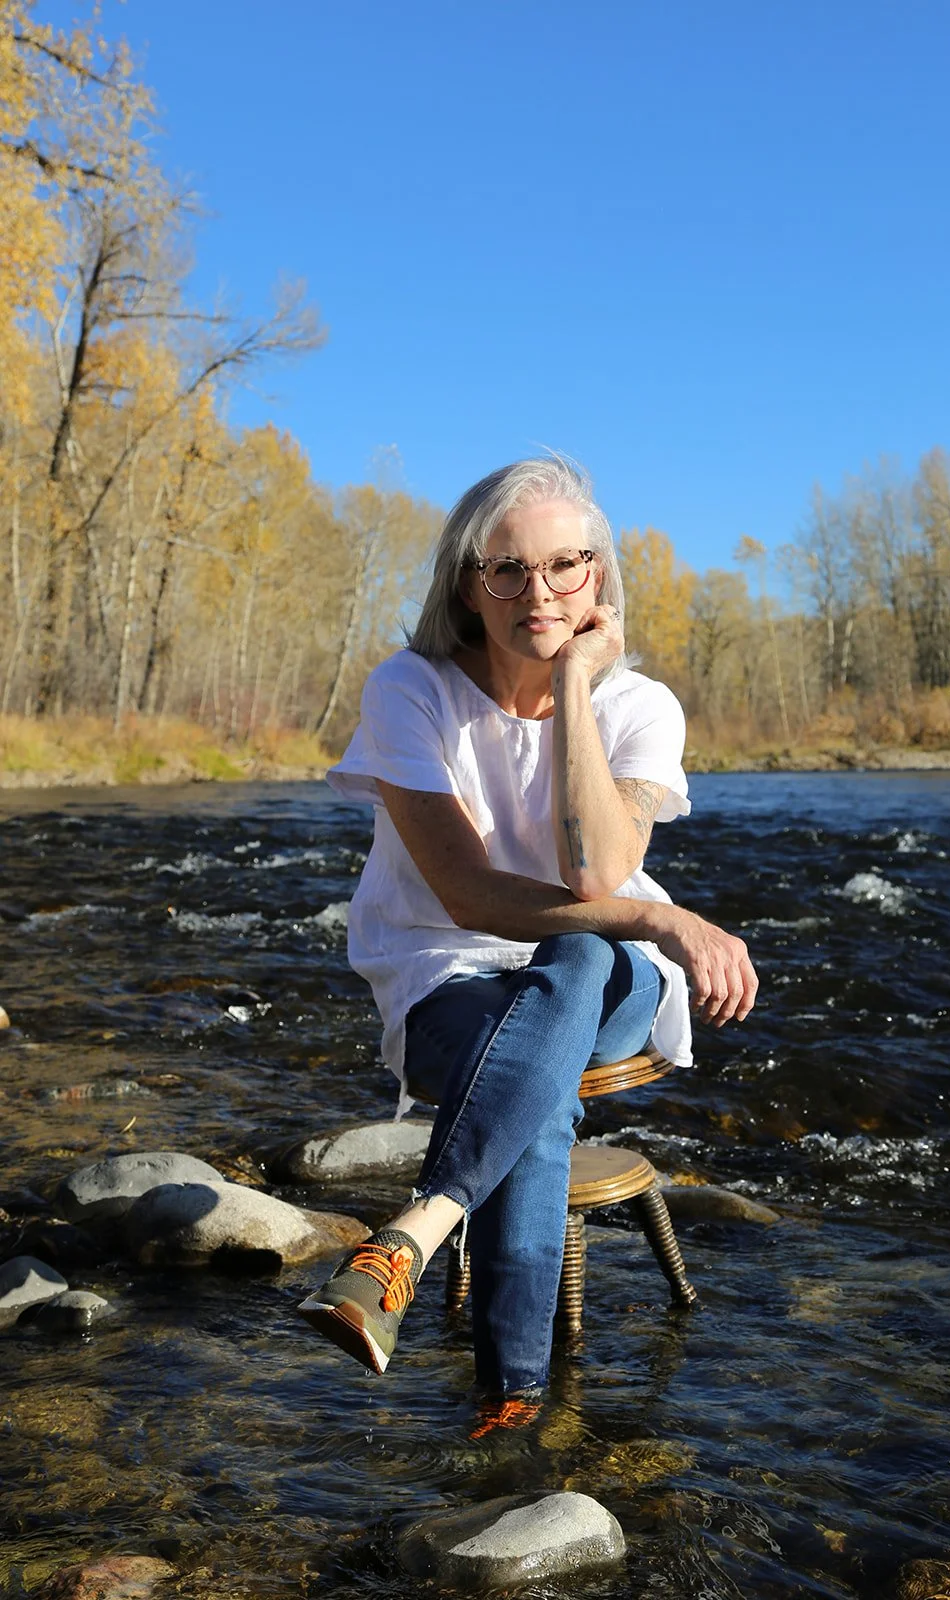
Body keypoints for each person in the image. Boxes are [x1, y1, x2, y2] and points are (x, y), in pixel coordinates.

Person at [297, 458, 757, 1416]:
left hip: (616, 981)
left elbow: (590, 876)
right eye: (505, 569)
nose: (536, 592)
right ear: (466, 583)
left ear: (598, 575)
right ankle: (512, 1400)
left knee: (581, 952)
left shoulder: (641, 706)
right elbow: (466, 893)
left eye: (563, 565)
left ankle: (414, 1239)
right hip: (444, 972)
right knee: (543, 1085)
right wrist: (658, 915)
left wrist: (576, 687)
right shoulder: (409, 690)